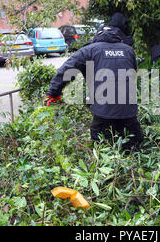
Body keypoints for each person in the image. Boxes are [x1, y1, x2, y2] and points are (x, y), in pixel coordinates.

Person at [45, 12, 143, 153]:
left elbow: (66, 70)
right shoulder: (129, 51)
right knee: (132, 148)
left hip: (102, 112)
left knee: (102, 151)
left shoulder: (90, 50)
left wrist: (53, 93)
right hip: (128, 112)